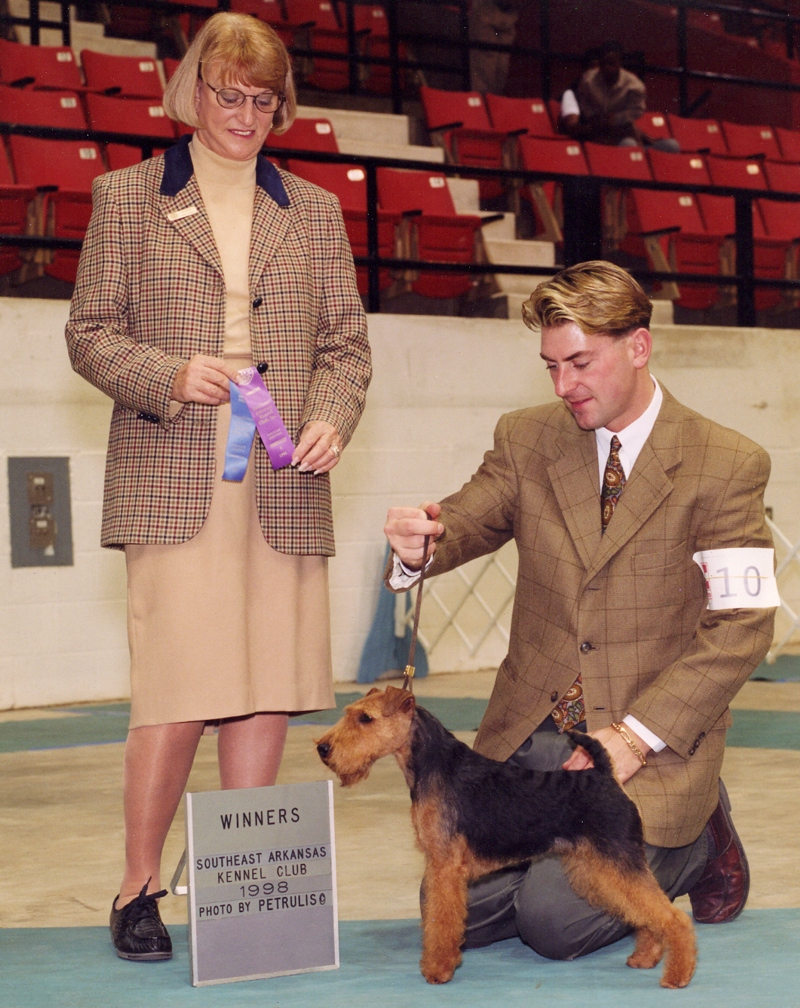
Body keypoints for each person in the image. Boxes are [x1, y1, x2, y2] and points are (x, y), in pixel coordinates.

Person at [65, 12, 371, 962]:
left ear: (283, 105)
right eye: (229, 94)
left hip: (281, 476)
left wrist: (329, 416)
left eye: (263, 100)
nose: (245, 114)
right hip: (176, 469)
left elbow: (346, 350)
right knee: (178, 687)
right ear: (193, 90)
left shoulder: (314, 210)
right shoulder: (126, 198)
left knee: (267, 681)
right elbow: (88, 332)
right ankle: (138, 887)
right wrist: (169, 374)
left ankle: (242, 893)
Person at [384, 261, 773, 960]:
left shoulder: (727, 463)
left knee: (555, 925)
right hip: (535, 737)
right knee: (450, 911)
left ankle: (701, 836)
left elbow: (742, 628)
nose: (564, 386)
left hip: (642, 744)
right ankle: (550, 860)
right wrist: (423, 543)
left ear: (639, 346)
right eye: (551, 367)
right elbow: (468, 518)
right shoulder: (527, 437)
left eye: (580, 363)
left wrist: (635, 735)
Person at [562, 39, 679, 152]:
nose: (607, 68)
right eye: (603, 64)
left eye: (611, 63)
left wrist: (617, 119)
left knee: (671, 145)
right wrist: (595, 118)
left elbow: (636, 111)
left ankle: (645, 154)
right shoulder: (587, 81)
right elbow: (579, 115)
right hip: (599, 137)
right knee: (629, 145)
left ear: (619, 64)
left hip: (625, 132)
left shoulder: (634, 85)